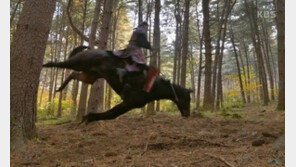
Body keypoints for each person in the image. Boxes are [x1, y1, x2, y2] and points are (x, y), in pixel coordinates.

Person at [114, 21, 159, 93]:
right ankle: (125, 77)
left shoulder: (138, 30)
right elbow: (142, 42)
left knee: (137, 66)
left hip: (130, 49)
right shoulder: (141, 30)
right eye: (147, 27)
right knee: (141, 67)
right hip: (134, 50)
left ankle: (128, 81)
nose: (147, 29)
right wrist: (151, 48)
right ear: (145, 26)